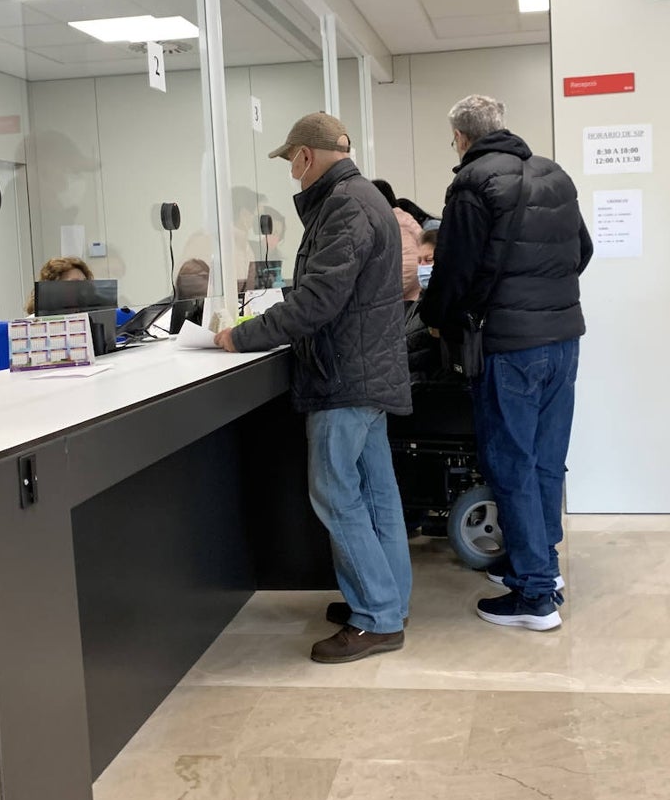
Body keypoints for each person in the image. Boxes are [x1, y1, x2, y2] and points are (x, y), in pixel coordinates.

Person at [213, 112, 413, 663]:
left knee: (335, 493)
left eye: (291, 162)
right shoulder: (363, 197)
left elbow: (319, 300)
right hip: (366, 372)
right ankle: (388, 599)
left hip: (344, 375)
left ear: (304, 156)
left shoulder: (344, 205)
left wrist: (240, 336)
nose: (292, 174)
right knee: (377, 496)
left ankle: (376, 618)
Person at [420, 94, 592, 631]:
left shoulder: (472, 183)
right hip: (564, 340)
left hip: (510, 347)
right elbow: (582, 251)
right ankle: (540, 566)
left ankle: (535, 597)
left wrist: (435, 317)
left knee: (510, 464)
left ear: (461, 137)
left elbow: (453, 269)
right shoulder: (554, 175)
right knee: (545, 460)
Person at [373, 179, 425, 301]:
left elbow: (408, 264)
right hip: (411, 293)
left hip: (404, 295)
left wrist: (385, 295)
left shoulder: (394, 222)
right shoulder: (402, 218)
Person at [25, 256, 94, 314]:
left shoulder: (92, 316)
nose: (82, 287)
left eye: (84, 282)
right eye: (74, 283)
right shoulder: (34, 323)